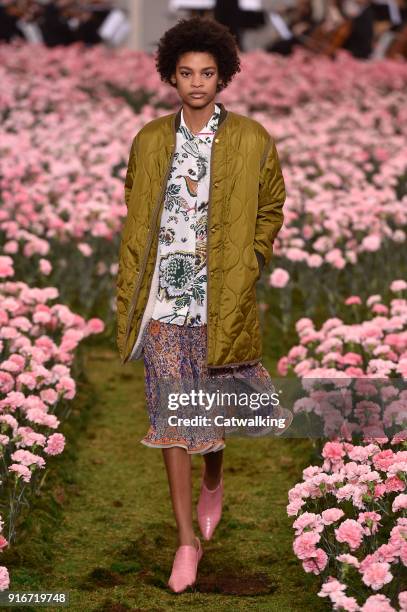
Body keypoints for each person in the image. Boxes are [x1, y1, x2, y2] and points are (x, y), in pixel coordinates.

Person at [116, 15, 286, 593]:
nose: (196, 82)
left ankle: (215, 471)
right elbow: (136, 209)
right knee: (171, 418)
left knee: (208, 409)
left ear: (224, 77)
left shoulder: (252, 138)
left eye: (207, 73)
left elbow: (271, 206)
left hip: (220, 296)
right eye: (185, 72)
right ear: (170, 75)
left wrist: (253, 259)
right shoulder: (148, 139)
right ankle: (185, 542)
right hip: (163, 297)